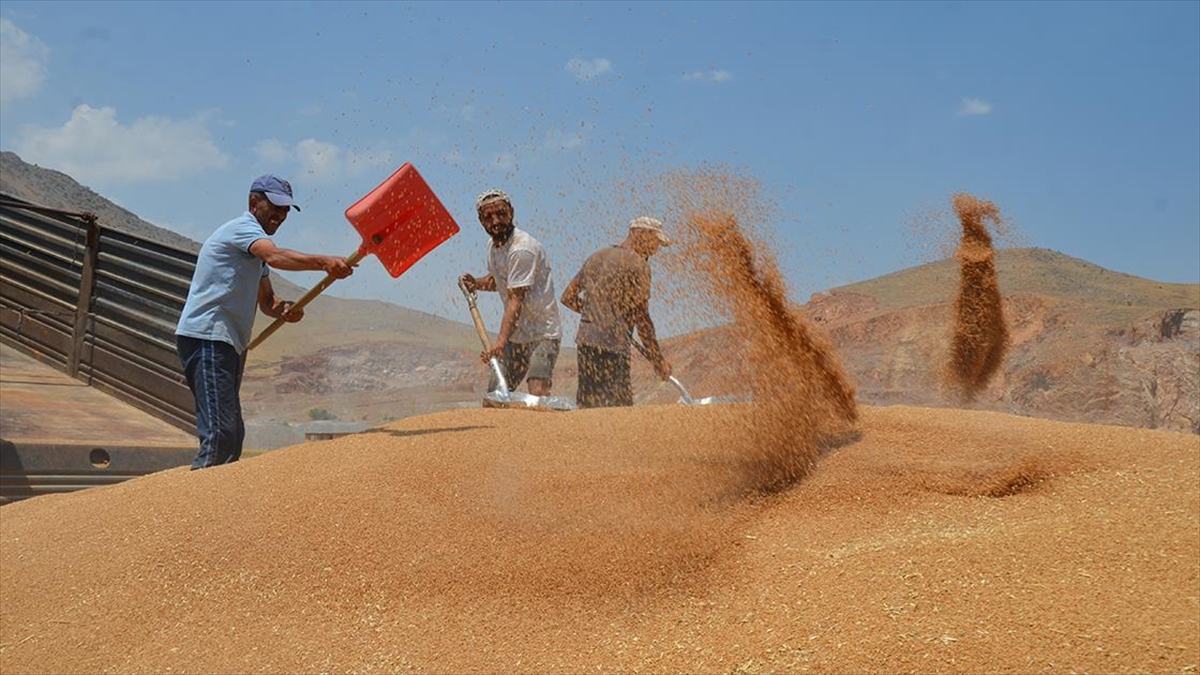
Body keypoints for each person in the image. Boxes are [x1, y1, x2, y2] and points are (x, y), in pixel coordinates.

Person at [175, 175, 354, 469]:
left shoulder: (252, 253)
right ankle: (195, 503)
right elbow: (274, 256)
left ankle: (217, 502)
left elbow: (267, 302)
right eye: (276, 207)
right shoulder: (242, 230)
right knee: (221, 435)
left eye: (286, 210)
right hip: (207, 335)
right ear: (253, 202)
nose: (281, 216)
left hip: (228, 342)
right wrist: (323, 262)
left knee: (233, 436)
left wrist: (285, 309)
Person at [459, 189, 563, 398]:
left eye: (501, 214)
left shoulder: (522, 249)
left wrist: (499, 344)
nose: (496, 221)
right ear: (481, 221)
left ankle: (546, 430)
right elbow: (498, 281)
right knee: (496, 395)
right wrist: (476, 284)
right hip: (516, 335)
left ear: (511, 213)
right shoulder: (493, 246)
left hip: (542, 333)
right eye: (488, 217)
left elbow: (516, 300)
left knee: (537, 392)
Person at [560, 216, 673, 409]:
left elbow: (567, 297)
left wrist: (595, 313)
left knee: (589, 406)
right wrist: (657, 360)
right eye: (655, 242)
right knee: (619, 411)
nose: (655, 250)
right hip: (614, 345)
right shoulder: (638, 265)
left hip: (586, 341)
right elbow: (643, 319)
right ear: (638, 234)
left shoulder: (597, 256)